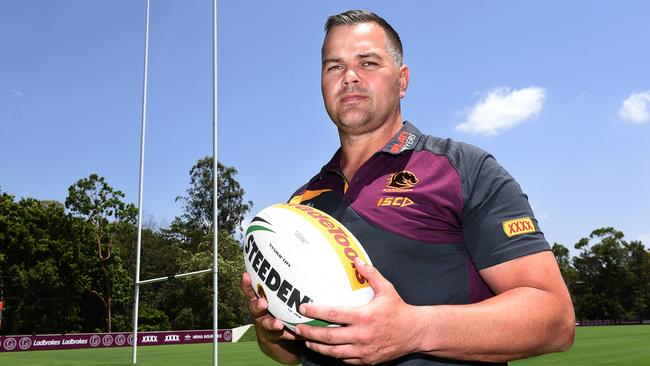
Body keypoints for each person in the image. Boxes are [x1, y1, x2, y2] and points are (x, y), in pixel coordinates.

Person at [240, 9, 575, 366]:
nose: (349, 77)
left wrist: (413, 329)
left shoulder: (464, 169)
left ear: (402, 81)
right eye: (334, 66)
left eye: (367, 62)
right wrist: (270, 329)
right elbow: (288, 355)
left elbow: (554, 319)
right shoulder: (300, 207)